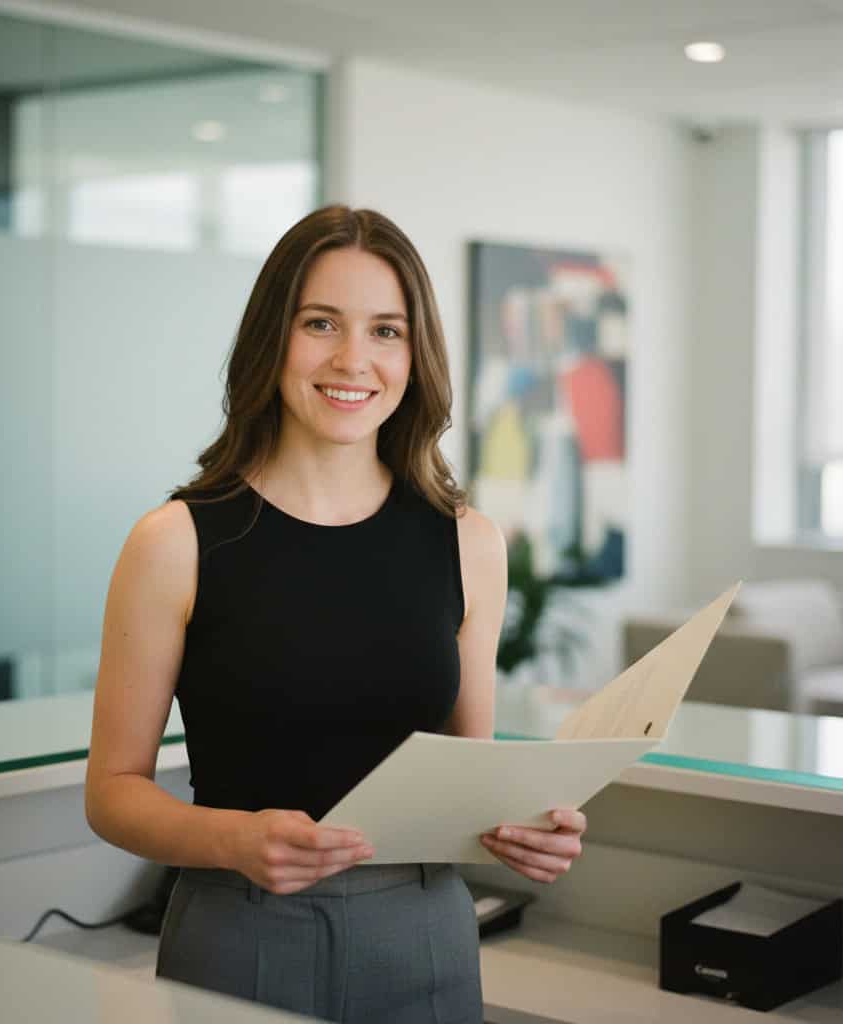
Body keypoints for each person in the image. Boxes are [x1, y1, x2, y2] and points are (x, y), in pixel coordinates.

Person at [84, 205, 588, 1024]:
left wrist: (525, 828)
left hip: (427, 933)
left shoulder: (471, 545)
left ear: (415, 355)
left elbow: (467, 774)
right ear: (271, 340)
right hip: (237, 931)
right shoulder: (173, 542)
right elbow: (111, 792)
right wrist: (233, 842)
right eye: (321, 323)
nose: (354, 359)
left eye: (387, 331)